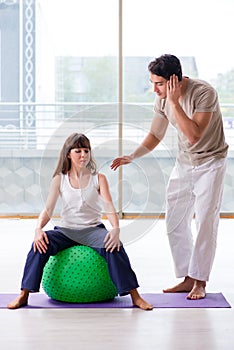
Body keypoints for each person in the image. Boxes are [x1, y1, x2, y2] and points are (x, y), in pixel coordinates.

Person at [111, 54, 228, 300]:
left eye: (159, 84)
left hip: (210, 163)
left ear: (174, 80)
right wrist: (133, 156)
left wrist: (175, 102)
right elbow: (155, 134)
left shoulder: (204, 93)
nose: (154, 89)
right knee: (174, 220)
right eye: (152, 83)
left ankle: (200, 281)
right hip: (184, 163)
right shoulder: (163, 100)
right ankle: (187, 277)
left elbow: (194, 135)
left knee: (205, 221)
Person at [8, 133, 153, 310]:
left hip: (92, 230)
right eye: (78, 151)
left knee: (115, 247)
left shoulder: (99, 178)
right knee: (39, 244)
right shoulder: (59, 179)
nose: (83, 155)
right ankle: (24, 294)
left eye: (86, 150)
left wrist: (115, 229)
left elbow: (109, 206)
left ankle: (135, 297)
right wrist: (38, 229)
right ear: (68, 153)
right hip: (65, 231)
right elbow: (48, 209)